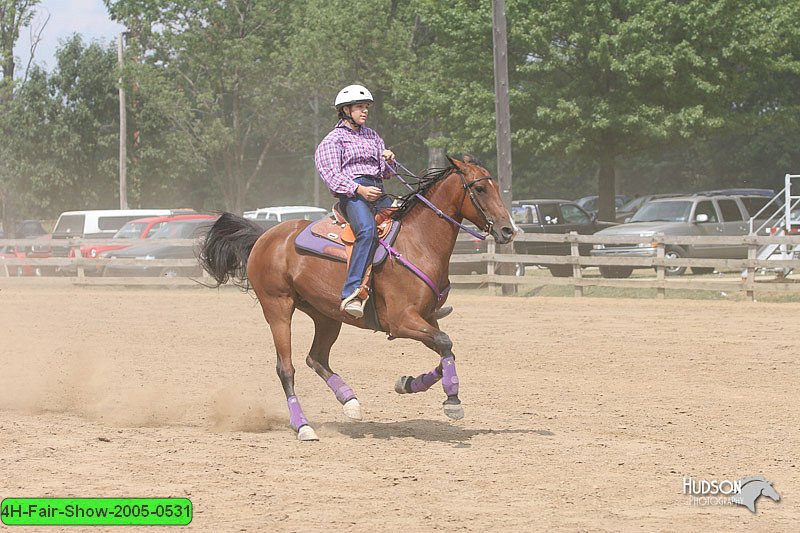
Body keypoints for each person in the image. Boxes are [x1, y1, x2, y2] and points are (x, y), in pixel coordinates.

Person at [315, 84, 394, 318]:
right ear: (346, 110)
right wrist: (359, 189)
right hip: (351, 195)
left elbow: (386, 172)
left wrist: (389, 160)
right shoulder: (333, 140)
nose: (365, 111)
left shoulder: (372, 136)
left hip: (377, 190)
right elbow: (331, 174)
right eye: (360, 107)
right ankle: (352, 292)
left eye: (366, 107)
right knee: (367, 230)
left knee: (407, 223)